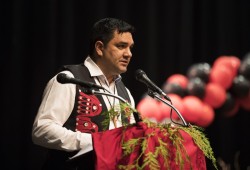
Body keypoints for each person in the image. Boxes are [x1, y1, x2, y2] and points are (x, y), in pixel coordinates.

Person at [32, 18, 138, 170]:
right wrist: (95, 142)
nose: (129, 54)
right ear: (100, 48)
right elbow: (42, 130)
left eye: (130, 48)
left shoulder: (124, 93)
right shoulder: (68, 80)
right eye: (121, 46)